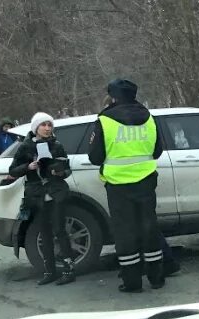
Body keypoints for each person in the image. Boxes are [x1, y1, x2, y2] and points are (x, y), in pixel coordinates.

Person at [88, 78, 176, 293]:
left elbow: (95, 156)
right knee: (149, 227)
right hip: (146, 181)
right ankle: (156, 277)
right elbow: (156, 151)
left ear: (114, 97)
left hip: (118, 185)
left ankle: (132, 282)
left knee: (125, 233)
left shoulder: (105, 120)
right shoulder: (149, 117)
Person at [9, 112, 75, 286]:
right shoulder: (25, 147)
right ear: (35, 127)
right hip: (37, 196)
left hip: (56, 193)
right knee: (44, 233)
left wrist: (60, 171)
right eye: (43, 125)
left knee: (60, 230)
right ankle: (49, 272)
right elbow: (13, 170)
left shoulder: (57, 145)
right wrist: (28, 166)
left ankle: (69, 270)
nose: (47, 128)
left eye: (49, 125)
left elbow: (67, 169)